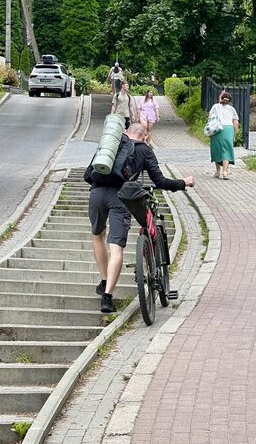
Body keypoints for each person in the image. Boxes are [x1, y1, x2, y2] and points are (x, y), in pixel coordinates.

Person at [89, 122, 195, 314]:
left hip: (96, 193)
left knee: (98, 236)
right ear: (145, 136)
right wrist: (183, 183)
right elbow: (160, 181)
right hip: (120, 197)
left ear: (125, 132)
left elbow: (91, 171)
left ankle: (104, 281)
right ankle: (107, 297)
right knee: (116, 247)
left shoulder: (111, 143)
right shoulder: (145, 150)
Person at [208, 90, 239, 179]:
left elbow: (209, 118)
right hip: (228, 130)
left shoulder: (215, 107)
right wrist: (234, 135)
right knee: (227, 151)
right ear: (230, 100)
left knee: (217, 150)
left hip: (217, 129)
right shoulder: (232, 109)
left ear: (221, 99)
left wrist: (209, 131)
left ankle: (218, 171)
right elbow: (236, 123)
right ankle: (225, 172)